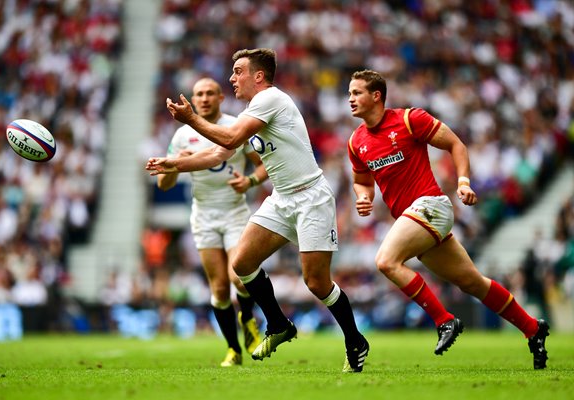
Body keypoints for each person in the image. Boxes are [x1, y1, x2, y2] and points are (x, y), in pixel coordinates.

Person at [147, 49, 369, 373]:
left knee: (317, 282)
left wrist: (191, 119)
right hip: (282, 198)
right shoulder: (255, 109)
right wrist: (175, 162)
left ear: (258, 76)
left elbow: (232, 136)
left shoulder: (271, 100)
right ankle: (278, 323)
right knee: (242, 262)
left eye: (238, 72)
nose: (232, 78)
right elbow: (218, 154)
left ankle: (354, 339)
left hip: (310, 197)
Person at [346, 69, 549, 369]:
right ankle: (533, 329)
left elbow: (457, 144)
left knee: (386, 261)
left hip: (431, 205)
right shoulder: (356, 141)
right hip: (414, 218)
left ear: (376, 96)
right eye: (349, 93)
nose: (350, 99)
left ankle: (444, 321)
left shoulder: (408, 119)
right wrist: (363, 196)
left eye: (356, 93)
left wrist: (464, 182)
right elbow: (361, 180)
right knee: (473, 283)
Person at [151, 77, 268, 367]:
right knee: (218, 288)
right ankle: (233, 349)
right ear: (193, 98)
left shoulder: (235, 126)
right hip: (203, 215)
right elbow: (164, 185)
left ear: (220, 98)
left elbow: (264, 164)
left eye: (209, 94)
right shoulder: (181, 136)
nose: (203, 99)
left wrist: (250, 180)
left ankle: (248, 318)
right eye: (199, 94)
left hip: (234, 212)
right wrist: (176, 162)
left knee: (238, 277)